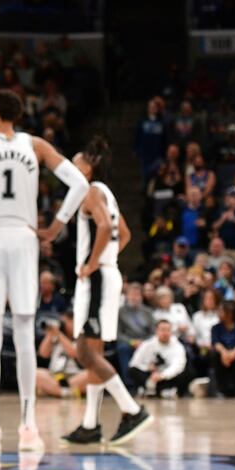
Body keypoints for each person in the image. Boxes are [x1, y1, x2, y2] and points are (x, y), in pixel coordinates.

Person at [0, 88, 90, 454]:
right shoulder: (37, 145)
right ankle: (28, 427)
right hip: (26, 238)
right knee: (25, 334)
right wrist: (56, 227)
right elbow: (80, 184)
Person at [59, 137, 151, 446]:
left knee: (85, 351)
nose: (69, 169)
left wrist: (93, 264)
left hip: (97, 278)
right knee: (94, 353)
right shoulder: (106, 193)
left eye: (74, 164)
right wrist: (108, 260)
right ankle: (90, 424)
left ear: (86, 168)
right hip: (106, 275)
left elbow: (105, 229)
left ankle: (132, 408)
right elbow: (123, 234)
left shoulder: (89, 192)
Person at [128, 320, 189, 399]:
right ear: (156, 331)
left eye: (168, 330)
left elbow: (178, 366)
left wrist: (162, 375)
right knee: (132, 370)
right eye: (162, 330)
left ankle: (152, 390)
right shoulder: (147, 344)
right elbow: (134, 363)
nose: (165, 333)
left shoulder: (178, 346)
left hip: (166, 377)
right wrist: (147, 368)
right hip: (149, 377)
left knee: (187, 370)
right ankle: (159, 390)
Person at [210, 300, 235, 398]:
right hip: (222, 355)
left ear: (230, 313)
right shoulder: (216, 328)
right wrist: (224, 353)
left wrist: (232, 354)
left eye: (221, 311)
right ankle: (221, 390)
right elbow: (215, 343)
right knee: (214, 355)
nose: (219, 313)